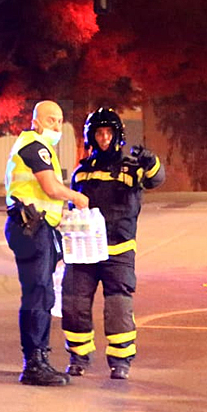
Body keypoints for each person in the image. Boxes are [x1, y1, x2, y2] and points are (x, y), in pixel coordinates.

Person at [61, 107, 165, 381]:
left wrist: (151, 161)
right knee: (73, 303)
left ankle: (121, 361)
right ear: (91, 137)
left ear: (117, 135)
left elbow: (156, 179)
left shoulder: (132, 168)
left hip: (118, 249)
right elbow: (74, 207)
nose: (104, 138)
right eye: (99, 133)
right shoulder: (82, 172)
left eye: (108, 132)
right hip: (84, 250)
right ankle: (78, 356)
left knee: (118, 306)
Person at [4, 100, 89, 387]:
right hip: (30, 229)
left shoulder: (41, 147)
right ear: (36, 121)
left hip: (39, 228)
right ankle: (34, 364)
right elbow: (50, 187)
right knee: (38, 295)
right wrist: (75, 197)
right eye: (51, 120)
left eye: (60, 120)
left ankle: (39, 358)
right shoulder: (34, 145)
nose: (57, 126)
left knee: (41, 295)